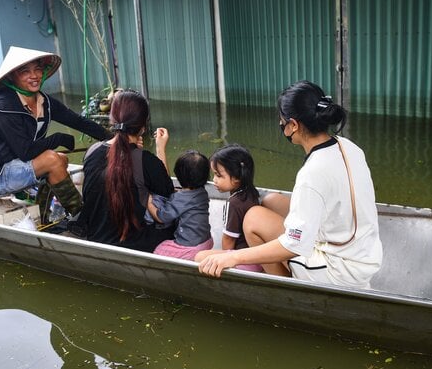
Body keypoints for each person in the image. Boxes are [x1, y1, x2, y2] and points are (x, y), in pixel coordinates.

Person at [197, 80, 383, 288]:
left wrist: (234, 257)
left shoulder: (312, 173)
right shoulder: (348, 146)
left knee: (252, 219)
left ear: (293, 125)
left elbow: (294, 245)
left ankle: (287, 287)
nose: (280, 123)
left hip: (338, 271)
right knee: (271, 200)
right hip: (363, 254)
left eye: (282, 119)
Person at [0, 46, 112, 227]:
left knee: (60, 159)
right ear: (12, 77)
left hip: (16, 166)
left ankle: (43, 213)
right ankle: (81, 217)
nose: (34, 75)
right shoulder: (3, 107)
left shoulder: (43, 101)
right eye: (25, 71)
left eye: (37, 69)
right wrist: (59, 138)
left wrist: (113, 139)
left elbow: (78, 122)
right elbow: (25, 151)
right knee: (52, 159)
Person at [77, 90, 176, 250]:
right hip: (132, 244)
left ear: (112, 119)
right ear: (143, 127)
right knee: (177, 217)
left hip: (95, 237)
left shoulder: (92, 151)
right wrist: (160, 149)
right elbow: (166, 199)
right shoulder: (146, 161)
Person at [195, 144, 265, 272]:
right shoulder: (251, 192)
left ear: (237, 178)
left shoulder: (233, 203)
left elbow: (228, 239)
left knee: (200, 256)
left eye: (219, 175)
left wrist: (223, 259)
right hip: (259, 257)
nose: (214, 180)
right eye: (214, 175)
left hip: (245, 261)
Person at [149, 150, 213, 260]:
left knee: (157, 250)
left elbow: (161, 217)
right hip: (206, 241)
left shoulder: (181, 198)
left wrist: (148, 202)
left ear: (179, 175)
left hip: (190, 247)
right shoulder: (202, 191)